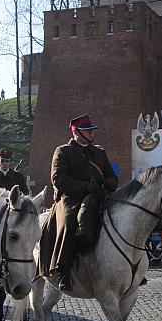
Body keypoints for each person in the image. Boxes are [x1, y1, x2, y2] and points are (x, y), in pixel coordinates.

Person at [38, 114, 118, 291]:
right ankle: (63, 270)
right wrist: (86, 187)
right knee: (69, 221)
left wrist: (109, 183)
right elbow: (59, 180)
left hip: (99, 195)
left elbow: (112, 176)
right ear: (76, 132)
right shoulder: (63, 151)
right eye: (87, 131)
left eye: (91, 131)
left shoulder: (99, 152)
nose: (91, 134)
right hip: (72, 198)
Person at [0, 148, 29, 321]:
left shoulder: (18, 177)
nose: (5, 164)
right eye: (2, 161)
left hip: (13, 218)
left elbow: (24, 194)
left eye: (7, 161)